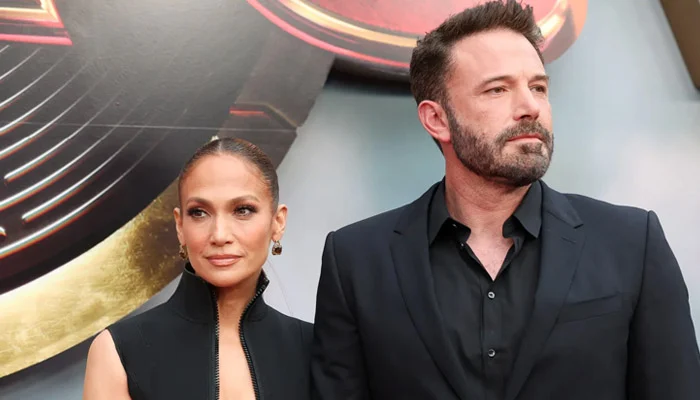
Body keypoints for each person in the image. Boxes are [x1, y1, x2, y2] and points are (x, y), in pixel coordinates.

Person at [310, 1, 700, 399]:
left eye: (538, 87)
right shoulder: (357, 260)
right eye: (498, 89)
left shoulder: (631, 243)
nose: (530, 107)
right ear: (437, 119)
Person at [83, 137, 312, 400]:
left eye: (243, 210)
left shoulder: (316, 348)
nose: (220, 235)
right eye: (199, 213)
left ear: (278, 222)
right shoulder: (119, 350)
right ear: (180, 226)